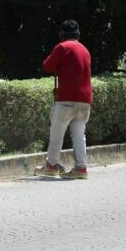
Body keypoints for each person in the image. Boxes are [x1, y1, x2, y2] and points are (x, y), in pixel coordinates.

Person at [35, 19, 93, 180]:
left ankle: (51, 165)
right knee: (79, 135)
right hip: (85, 101)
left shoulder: (62, 47)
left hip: (67, 99)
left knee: (57, 132)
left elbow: (47, 66)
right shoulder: (85, 50)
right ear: (78, 35)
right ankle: (81, 168)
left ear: (62, 35)